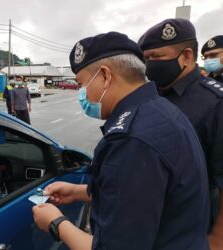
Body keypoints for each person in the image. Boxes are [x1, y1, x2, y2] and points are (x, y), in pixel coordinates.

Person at [32, 32, 209, 250]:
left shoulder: (131, 140)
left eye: (82, 84)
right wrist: (79, 192)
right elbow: (141, 197)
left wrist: (56, 223)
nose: (82, 93)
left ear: (105, 76)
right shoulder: (161, 110)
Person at [138, 18, 223, 249]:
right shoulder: (151, 94)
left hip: (195, 217)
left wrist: (218, 238)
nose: (150, 65)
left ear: (186, 56)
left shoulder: (214, 102)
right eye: (146, 59)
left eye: (156, 57)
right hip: (154, 212)